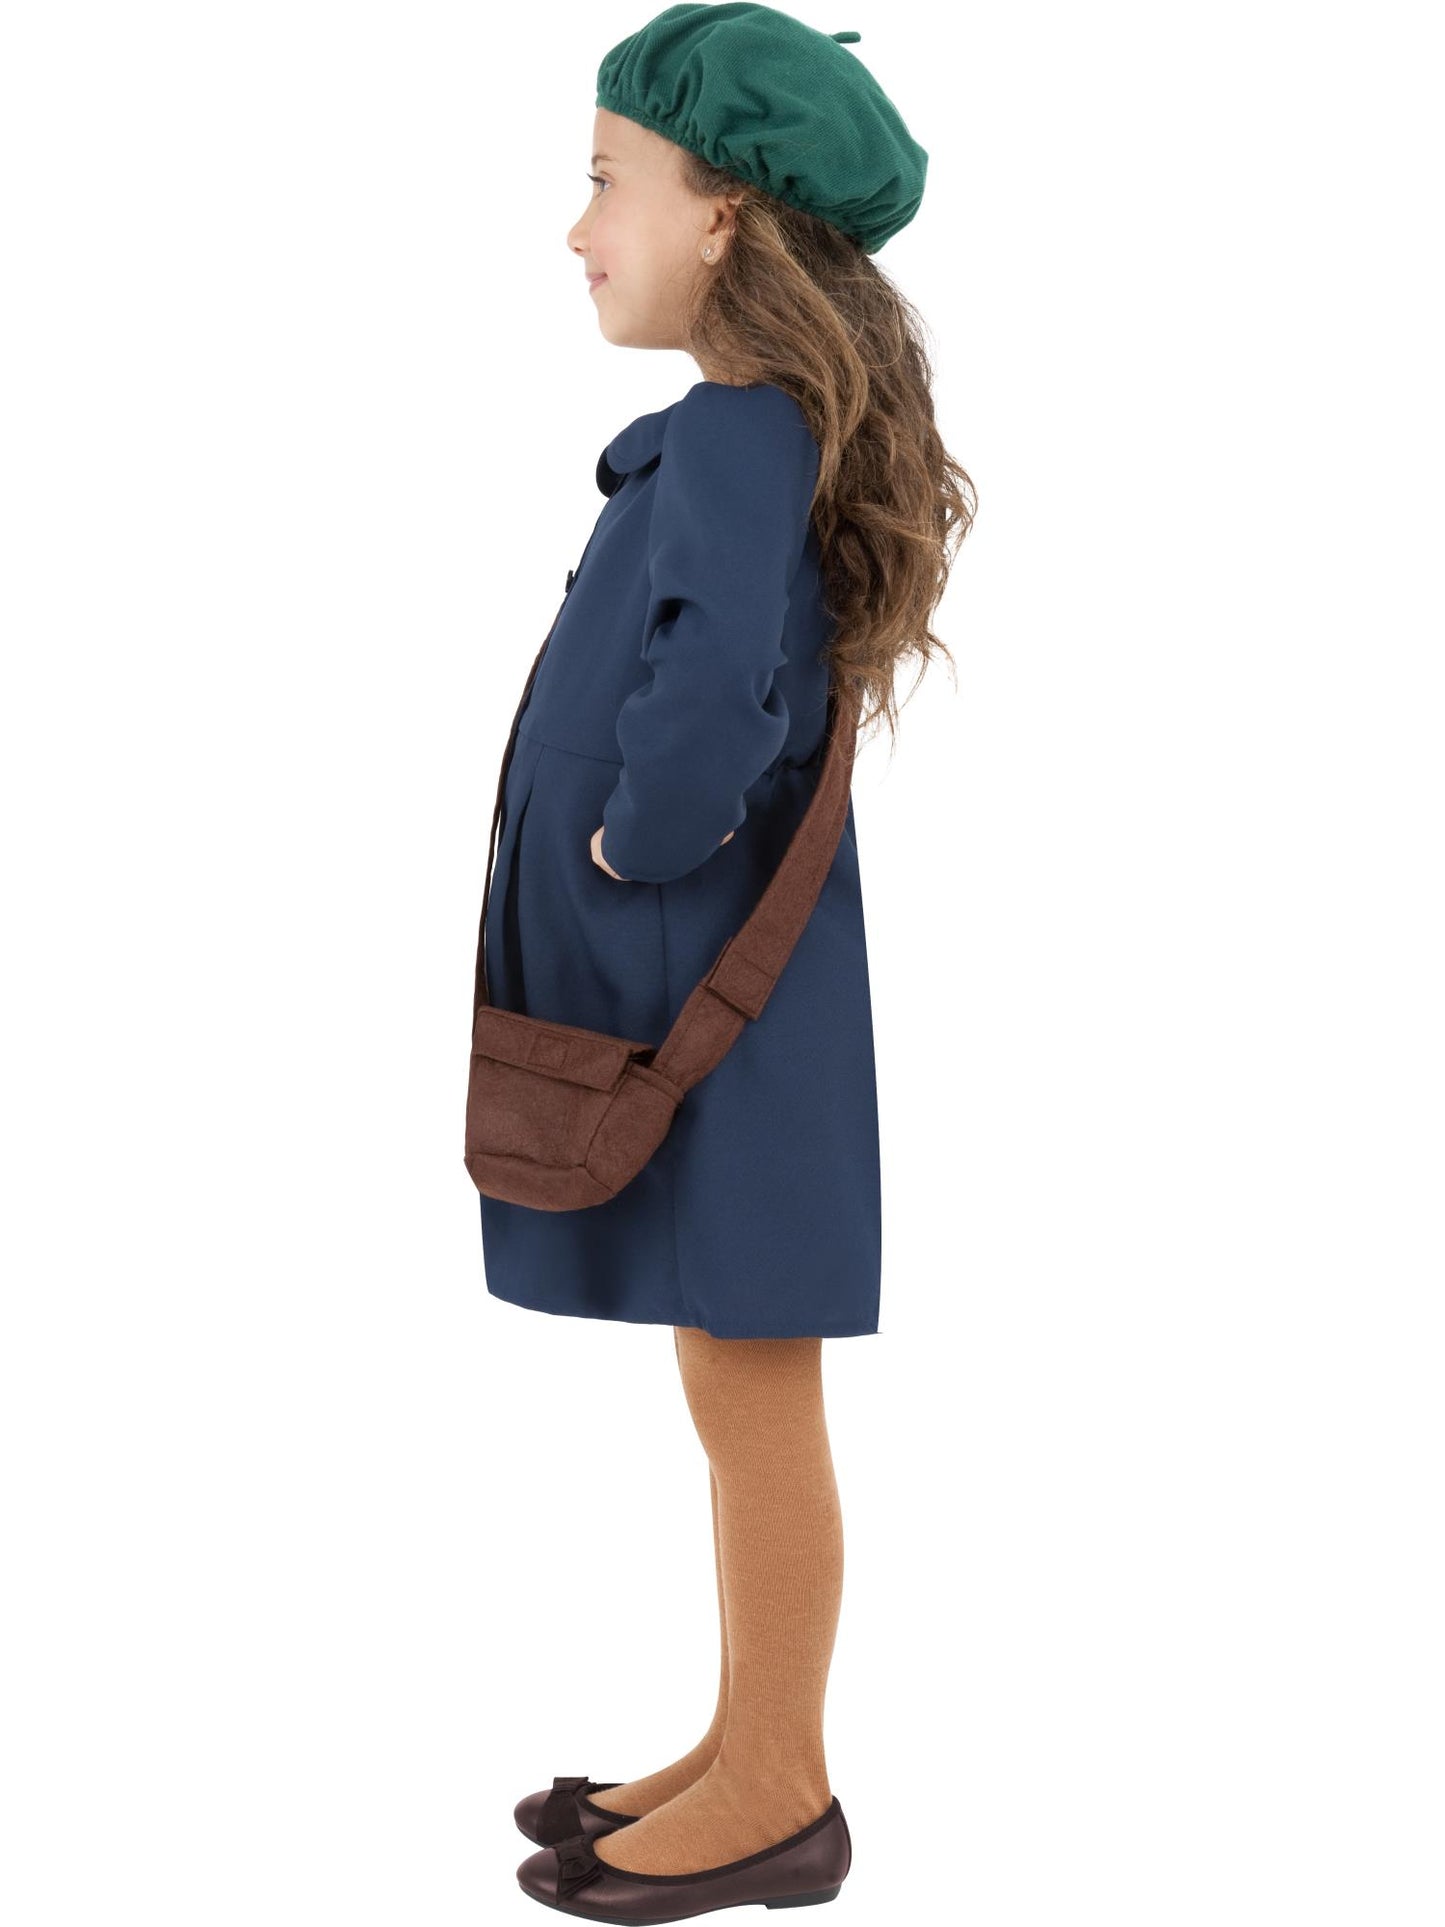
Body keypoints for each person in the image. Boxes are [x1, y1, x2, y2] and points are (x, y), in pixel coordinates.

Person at [476, 7, 975, 1917]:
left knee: (755, 1390)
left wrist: (634, 839)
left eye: (609, 180)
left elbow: (712, 689)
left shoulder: (737, 433)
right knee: (729, 1374)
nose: (575, 225)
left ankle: (779, 1788)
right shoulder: (738, 431)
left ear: (729, 218)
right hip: (702, 995)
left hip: (711, 1004)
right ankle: (742, 1738)